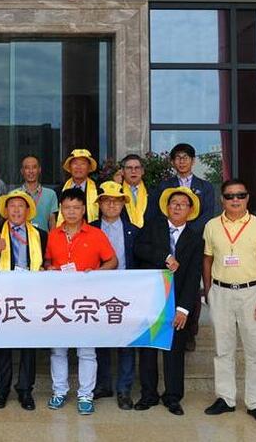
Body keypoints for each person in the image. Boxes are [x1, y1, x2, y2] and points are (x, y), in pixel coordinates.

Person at [202, 179, 256, 425]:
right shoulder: (212, 226)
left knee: (255, 351)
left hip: (252, 293)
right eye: (230, 196)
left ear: (247, 198)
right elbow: (207, 260)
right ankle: (225, 398)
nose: (235, 200)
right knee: (222, 349)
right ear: (222, 199)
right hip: (221, 292)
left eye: (240, 195)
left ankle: (255, 402)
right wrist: (208, 290)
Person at [44, 187, 117, 415]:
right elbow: (46, 261)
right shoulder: (53, 235)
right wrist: (49, 267)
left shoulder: (96, 234)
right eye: (67, 208)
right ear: (61, 209)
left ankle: (86, 394)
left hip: (87, 301)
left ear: (84, 209)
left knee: (86, 351)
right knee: (58, 350)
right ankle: (59, 391)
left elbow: (112, 261)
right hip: (58, 302)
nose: (72, 212)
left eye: (76, 207)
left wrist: (97, 273)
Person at [133, 186, 203, 416]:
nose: (177, 207)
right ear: (167, 206)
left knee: (175, 350)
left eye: (183, 204)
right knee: (148, 348)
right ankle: (148, 394)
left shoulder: (195, 238)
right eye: (174, 203)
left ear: (190, 210)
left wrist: (184, 309)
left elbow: (193, 276)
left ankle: (173, 397)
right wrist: (165, 257)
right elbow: (139, 248)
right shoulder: (153, 226)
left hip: (177, 301)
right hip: (151, 299)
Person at [0, 189, 48, 411]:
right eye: (12, 206)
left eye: (20, 206)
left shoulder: (40, 234)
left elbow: (48, 260)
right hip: (3, 295)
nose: (16, 210)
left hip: (32, 295)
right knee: (3, 345)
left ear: (27, 210)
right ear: (6, 210)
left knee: (28, 345)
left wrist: (46, 268)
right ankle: (1, 390)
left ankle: (25, 390)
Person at [157, 143, 215, 352]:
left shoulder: (205, 187)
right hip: (169, 241)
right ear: (173, 162)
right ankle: (165, 327)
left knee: (191, 284)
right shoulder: (165, 186)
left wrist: (186, 231)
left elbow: (208, 214)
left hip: (193, 241)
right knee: (168, 285)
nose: (182, 161)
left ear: (193, 160)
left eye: (186, 157)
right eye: (178, 157)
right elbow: (160, 212)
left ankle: (190, 331)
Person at [90, 181, 140, 410]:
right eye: (107, 201)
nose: (111, 205)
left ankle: (124, 389)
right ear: (99, 204)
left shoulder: (134, 231)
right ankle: (103, 385)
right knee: (100, 339)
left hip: (126, 291)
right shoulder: (89, 229)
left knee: (126, 341)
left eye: (116, 201)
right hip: (96, 291)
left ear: (123, 204)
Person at [17, 155, 59, 231]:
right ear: (22, 171)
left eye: (34, 167)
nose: (31, 171)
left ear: (39, 170)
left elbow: (52, 222)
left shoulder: (50, 194)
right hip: (20, 237)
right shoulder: (15, 195)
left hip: (44, 237)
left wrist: (53, 238)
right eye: (27, 168)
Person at [112, 153, 154, 228]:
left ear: (142, 171)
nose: (133, 171)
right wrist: (115, 186)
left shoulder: (153, 193)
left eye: (137, 168)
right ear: (122, 171)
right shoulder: (117, 192)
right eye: (129, 168)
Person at [58, 149, 100, 224]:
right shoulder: (59, 191)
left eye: (83, 164)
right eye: (75, 163)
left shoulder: (98, 190)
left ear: (89, 167)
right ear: (70, 167)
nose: (78, 167)